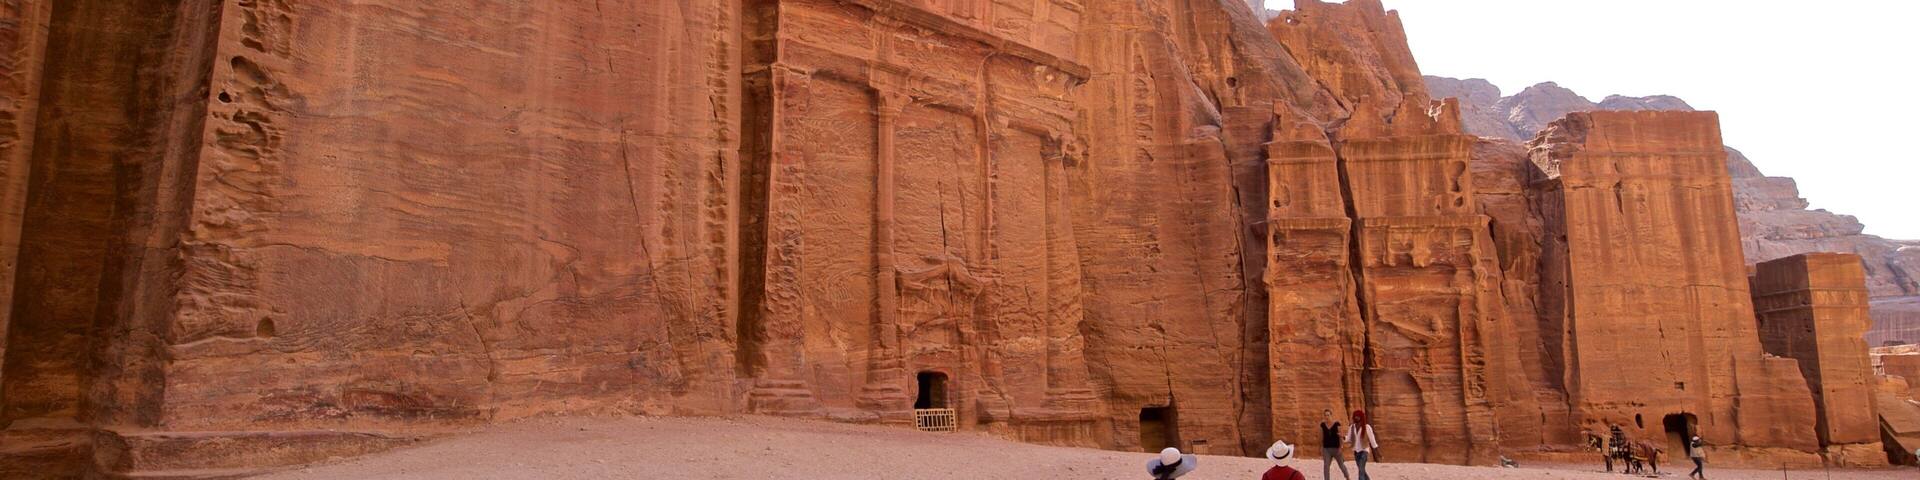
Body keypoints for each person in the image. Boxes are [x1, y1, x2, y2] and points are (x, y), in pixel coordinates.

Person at [1346, 410, 1378, 480]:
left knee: (1361, 469)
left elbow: (1372, 439)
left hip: (1364, 451)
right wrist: (1342, 438)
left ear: (1361, 417)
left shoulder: (1367, 427)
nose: (1356, 418)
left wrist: (1376, 450)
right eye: (1355, 416)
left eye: (1358, 416)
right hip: (1356, 452)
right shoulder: (1352, 427)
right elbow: (1348, 438)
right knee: (1362, 470)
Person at [1319, 409, 1350, 480]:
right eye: (1325, 415)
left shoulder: (1337, 424)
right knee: (1326, 466)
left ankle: (1347, 477)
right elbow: (1321, 437)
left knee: (1341, 465)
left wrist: (1341, 447)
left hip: (1336, 449)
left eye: (1328, 415)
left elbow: (1340, 436)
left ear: (1331, 415)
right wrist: (1321, 447)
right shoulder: (1322, 425)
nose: (1327, 417)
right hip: (1326, 449)